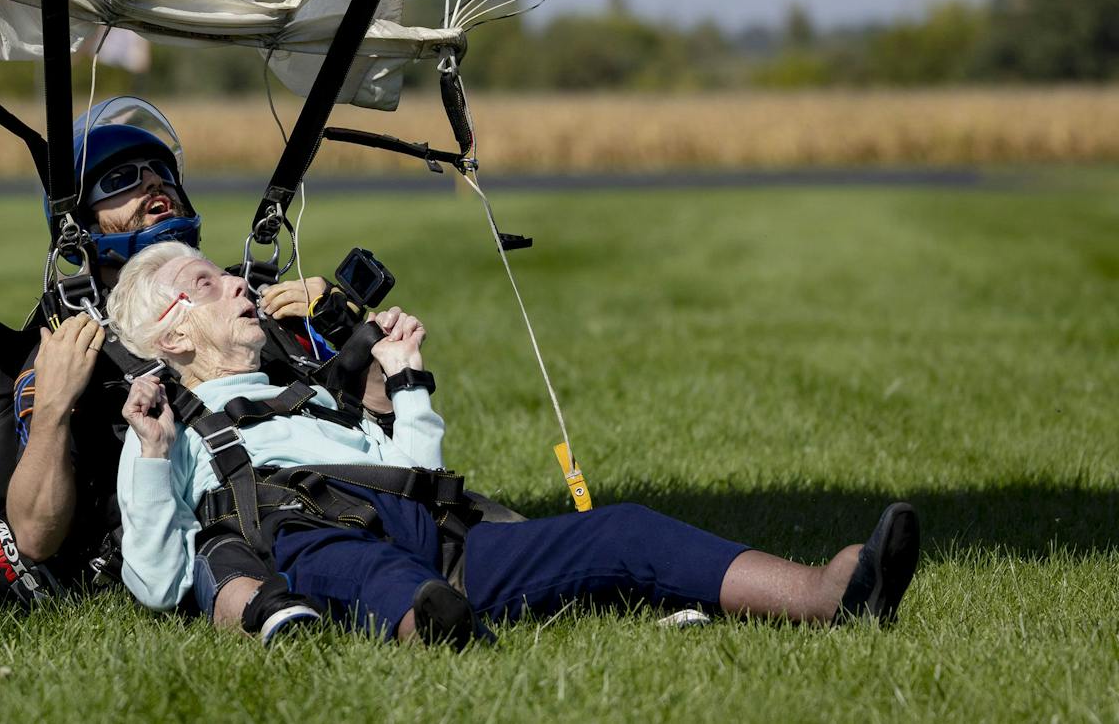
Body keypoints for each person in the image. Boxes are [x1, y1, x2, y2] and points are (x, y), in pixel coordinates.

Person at [108, 241, 922, 645]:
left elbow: (419, 476)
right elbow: (154, 576)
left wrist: (407, 377)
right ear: (168, 332)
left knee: (624, 527)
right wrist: (149, 452)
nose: (240, 284)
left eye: (230, 274)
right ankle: (445, 637)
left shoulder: (312, 389)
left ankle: (825, 594)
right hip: (313, 541)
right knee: (381, 574)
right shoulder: (166, 419)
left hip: (436, 535)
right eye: (207, 283)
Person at [3, 98, 347, 640]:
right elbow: (34, 538)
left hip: (330, 501)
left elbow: (378, 426)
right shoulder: (71, 341)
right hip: (211, 541)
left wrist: (337, 323)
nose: (152, 187)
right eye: (121, 179)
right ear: (80, 222)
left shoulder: (249, 299)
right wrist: (52, 409)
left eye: (161, 174)